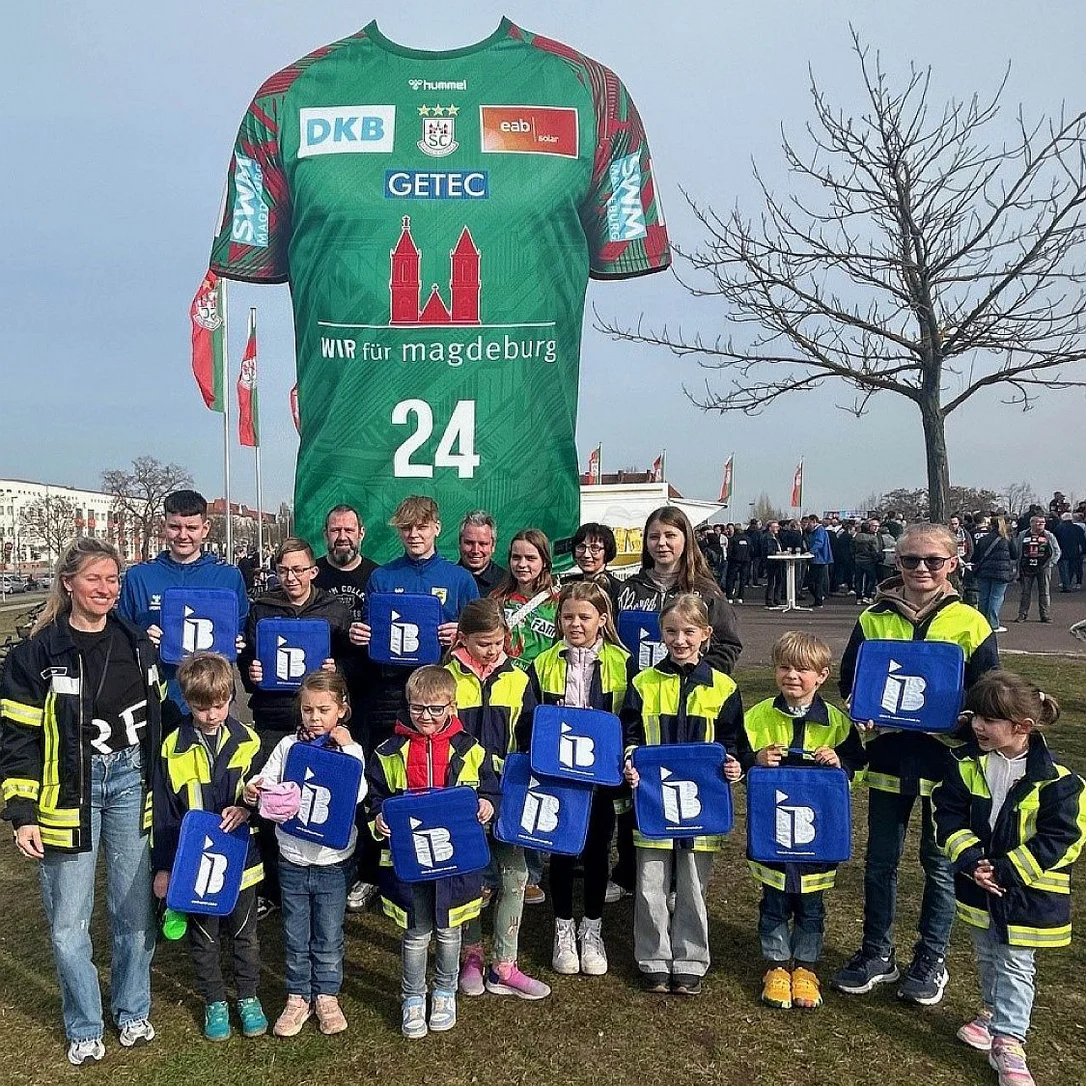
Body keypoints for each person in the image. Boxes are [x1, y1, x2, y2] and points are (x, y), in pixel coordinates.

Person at [0, 538, 165, 1065]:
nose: (105, 589)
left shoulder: (137, 642)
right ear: (69, 582)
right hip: (67, 792)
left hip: (129, 783)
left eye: (113, 580)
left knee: (133, 911)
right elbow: (17, 738)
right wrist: (22, 812)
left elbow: (162, 718)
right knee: (69, 921)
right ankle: (85, 1024)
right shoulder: (35, 653)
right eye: (94, 579)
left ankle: (133, 1011)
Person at [832, 523, 999, 1006]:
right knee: (880, 861)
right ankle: (876, 952)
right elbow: (850, 679)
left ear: (952, 563)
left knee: (939, 863)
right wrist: (860, 711)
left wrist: (961, 724)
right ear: (896, 564)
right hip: (888, 758)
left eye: (932, 560)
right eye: (910, 561)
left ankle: (931, 957)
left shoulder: (971, 621)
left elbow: (987, 691)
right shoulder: (872, 619)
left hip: (946, 763)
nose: (921, 569)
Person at [932, 671, 1085, 1086]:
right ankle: (991, 1013)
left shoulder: (1061, 782)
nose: (978, 726)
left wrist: (1007, 870)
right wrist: (973, 861)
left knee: (1016, 963)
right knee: (986, 955)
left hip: (1027, 897)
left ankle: (1010, 1042)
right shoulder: (965, 764)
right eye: (976, 716)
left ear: (1023, 728)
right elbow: (946, 814)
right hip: (980, 887)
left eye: (989, 720)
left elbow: (1064, 839)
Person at [365, 666, 500, 1040]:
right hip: (408, 861)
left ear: (452, 707)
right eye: (417, 708)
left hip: (454, 860)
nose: (426, 716)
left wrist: (488, 804)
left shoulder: (471, 749)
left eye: (435, 709)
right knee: (416, 931)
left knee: (449, 928)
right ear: (407, 706)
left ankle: (444, 991)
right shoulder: (388, 751)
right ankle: (412, 996)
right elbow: (374, 797)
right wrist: (378, 819)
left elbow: (491, 788)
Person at [737, 632, 865, 1011]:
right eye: (785, 667)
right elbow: (737, 760)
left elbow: (859, 766)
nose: (792, 676)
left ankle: (806, 968)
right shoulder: (758, 716)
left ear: (822, 676)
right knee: (774, 900)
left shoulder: (838, 724)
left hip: (818, 834)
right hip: (772, 831)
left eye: (803, 669)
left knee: (811, 904)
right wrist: (755, 760)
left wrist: (840, 763)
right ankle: (776, 965)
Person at [622, 593, 743, 994]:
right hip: (653, 802)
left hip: (700, 805)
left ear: (706, 635)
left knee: (692, 883)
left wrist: (733, 764)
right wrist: (629, 762)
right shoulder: (643, 682)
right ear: (661, 633)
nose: (680, 639)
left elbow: (733, 741)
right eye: (671, 631)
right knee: (650, 880)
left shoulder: (724, 687)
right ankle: (653, 956)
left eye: (689, 631)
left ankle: (691, 956)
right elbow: (631, 734)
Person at [242, 672, 367, 1038]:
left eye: (324, 709)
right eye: (308, 709)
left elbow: (357, 794)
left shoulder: (351, 750)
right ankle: (298, 996)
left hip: (332, 861)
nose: (314, 717)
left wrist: (346, 749)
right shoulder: (287, 746)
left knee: (328, 933)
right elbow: (264, 780)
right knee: (296, 932)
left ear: (341, 711)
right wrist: (256, 791)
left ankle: (327, 995)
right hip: (293, 857)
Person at [151, 653, 267, 1042]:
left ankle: (248, 997)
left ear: (231, 697)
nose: (212, 714)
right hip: (193, 865)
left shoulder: (249, 741)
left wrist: (248, 805)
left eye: (220, 705)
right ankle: (215, 1001)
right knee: (204, 938)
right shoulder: (172, 746)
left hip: (242, 859)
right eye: (202, 707)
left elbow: (267, 798)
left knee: (245, 934)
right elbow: (164, 815)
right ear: (186, 701)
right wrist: (164, 868)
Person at [238, 537, 356, 912]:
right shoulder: (262, 608)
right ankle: (274, 886)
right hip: (275, 719)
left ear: (313, 571)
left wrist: (341, 670)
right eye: (284, 570)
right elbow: (249, 662)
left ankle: (332, 876)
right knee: (274, 803)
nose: (291, 577)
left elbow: (353, 663)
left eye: (298, 569)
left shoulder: (335, 610)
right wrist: (251, 671)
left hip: (320, 722)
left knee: (324, 798)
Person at [443, 599, 549, 1000]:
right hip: (462, 794)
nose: (491, 650)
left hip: (506, 793)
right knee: (469, 878)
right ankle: (470, 958)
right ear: (462, 639)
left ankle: (505, 964)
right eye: (482, 643)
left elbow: (530, 737)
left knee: (515, 876)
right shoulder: (446, 678)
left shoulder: (519, 679)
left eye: (498, 642)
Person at [529, 582, 631, 978]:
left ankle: (592, 929)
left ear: (602, 621)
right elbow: (534, 718)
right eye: (568, 616)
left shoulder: (625, 663)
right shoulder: (544, 662)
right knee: (561, 850)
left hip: (601, 777)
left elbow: (630, 720)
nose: (575, 624)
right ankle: (563, 928)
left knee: (595, 852)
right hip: (559, 775)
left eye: (585, 617)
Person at [359, 495, 480, 751]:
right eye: (406, 528)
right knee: (389, 762)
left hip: (440, 689)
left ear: (436, 528)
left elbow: (479, 636)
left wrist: (461, 634)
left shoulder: (460, 579)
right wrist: (359, 634)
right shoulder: (382, 577)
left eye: (421, 527)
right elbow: (369, 632)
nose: (414, 534)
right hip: (390, 690)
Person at [117, 489, 249, 711]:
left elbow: (243, 628)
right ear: (163, 526)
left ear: (205, 529)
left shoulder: (229, 576)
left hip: (214, 700)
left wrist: (239, 640)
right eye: (175, 527)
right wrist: (142, 639)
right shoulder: (139, 577)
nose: (183, 535)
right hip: (158, 698)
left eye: (192, 528)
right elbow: (120, 635)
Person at [313, 504, 380, 913]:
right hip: (318, 698)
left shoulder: (376, 576)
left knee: (362, 781)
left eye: (349, 529)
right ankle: (323, 864)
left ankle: (367, 871)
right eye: (335, 529)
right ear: (325, 534)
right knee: (321, 780)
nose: (342, 536)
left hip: (364, 692)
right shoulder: (312, 573)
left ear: (362, 532)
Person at [615, 506, 742, 674]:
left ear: (686, 539)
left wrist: (695, 677)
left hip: (688, 693)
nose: (661, 543)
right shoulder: (628, 590)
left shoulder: (706, 592)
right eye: (654, 537)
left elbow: (727, 647)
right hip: (636, 693)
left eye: (670, 535)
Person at [491, 529, 560, 672]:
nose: (522, 564)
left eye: (530, 558)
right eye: (516, 557)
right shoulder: (497, 599)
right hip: (505, 679)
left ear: (545, 561)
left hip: (541, 680)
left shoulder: (559, 602)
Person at [971, 515, 1019, 633]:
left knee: (984, 597)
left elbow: (975, 557)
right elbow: (1015, 555)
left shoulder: (983, 539)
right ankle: (993, 623)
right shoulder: (1007, 539)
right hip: (1001, 572)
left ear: (990, 525)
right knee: (996, 598)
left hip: (984, 572)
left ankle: (982, 622)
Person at [563, 522, 623, 613]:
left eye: (595, 548)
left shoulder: (618, 590)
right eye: (581, 547)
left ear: (606, 552)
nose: (586, 554)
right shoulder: (566, 586)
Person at [1015, 515, 1060, 623]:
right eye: (1038, 523)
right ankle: (1022, 614)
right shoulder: (1022, 535)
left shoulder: (1049, 535)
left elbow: (1057, 551)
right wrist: (1017, 566)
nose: (1041, 525)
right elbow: (1018, 551)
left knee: (1044, 592)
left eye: (1043, 523)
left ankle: (1045, 615)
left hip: (1043, 567)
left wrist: (1051, 563)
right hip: (1026, 567)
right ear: (1031, 523)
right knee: (1025, 592)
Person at [457, 510, 506, 596]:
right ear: (460, 543)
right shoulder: (445, 579)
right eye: (469, 543)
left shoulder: (506, 584)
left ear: (493, 546)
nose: (475, 550)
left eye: (483, 544)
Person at [805, 514, 832, 608]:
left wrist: (810, 552)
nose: (808, 525)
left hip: (818, 559)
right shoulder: (819, 530)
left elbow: (819, 543)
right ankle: (818, 600)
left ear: (814, 521)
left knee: (812, 582)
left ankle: (819, 598)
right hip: (820, 559)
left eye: (809, 523)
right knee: (818, 582)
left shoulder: (819, 531)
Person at [1053, 512, 1083, 593]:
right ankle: (1068, 583)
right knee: (1071, 568)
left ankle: (1066, 585)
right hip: (1074, 552)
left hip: (1062, 551)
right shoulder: (1077, 528)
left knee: (1063, 569)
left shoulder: (1059, 528)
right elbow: (1082, 540)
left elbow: (1055, 540)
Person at [724, 522, 752, 603]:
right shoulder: (748, 539)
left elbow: (729, 551)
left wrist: (730, 558)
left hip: (734, 561)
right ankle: (740, 597)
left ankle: (729, 596)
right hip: (745, 561)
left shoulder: (733, 539)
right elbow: (751, 550)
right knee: (743, 580)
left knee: (730, 579)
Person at [763, 521, 785, 608]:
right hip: (771, 562)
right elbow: (768, 550)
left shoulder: (776, 537)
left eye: (777, 527)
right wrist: (779, 553)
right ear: (770, 528)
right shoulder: (767, 538)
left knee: (779, 580)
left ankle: (777, 599)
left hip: (778, 561)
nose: (777, 529)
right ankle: (769, 599)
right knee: (771, 581)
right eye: (775, 527)